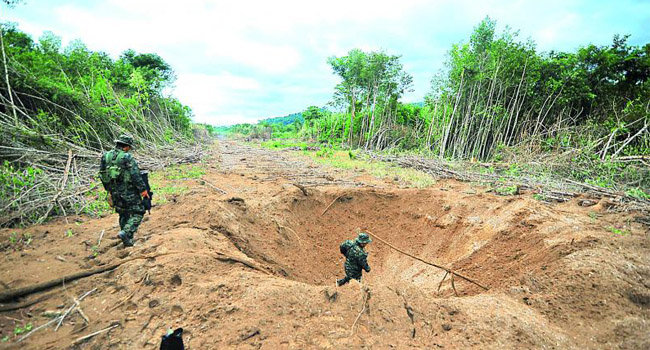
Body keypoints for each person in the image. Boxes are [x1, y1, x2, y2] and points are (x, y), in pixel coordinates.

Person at [99, 134, 149, 247]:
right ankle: (126, 233)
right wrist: (143, 190)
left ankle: (127, 239)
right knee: (139, 211)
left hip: (114, 190)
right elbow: (135, 175)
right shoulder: (127, 157)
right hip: (128, 191)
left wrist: (109, 190)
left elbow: (102, 175)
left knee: (123, 212)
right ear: (126, 146)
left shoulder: (105, 156)